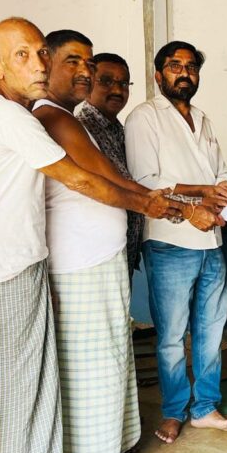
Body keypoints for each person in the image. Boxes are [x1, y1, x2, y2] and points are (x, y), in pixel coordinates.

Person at [0, 18, 185, 453]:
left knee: (33, 402)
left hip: (24, 270)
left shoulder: (15, 114)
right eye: (24, 55)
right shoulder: (12, 116)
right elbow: (82, 179)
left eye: (40, 53)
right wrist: (153, 206)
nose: (37, 64)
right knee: (5, 409)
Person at [35, 30, 170, 453]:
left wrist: (157, 202)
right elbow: (104, 179)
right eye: (73, 61)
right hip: (79, 267)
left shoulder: (73, 118)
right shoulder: (53, 116)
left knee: (110, 361)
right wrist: (161, 205)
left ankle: (109, 451)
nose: (84, 72)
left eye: (87, 64)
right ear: (46, 63)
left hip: (99, 261)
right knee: (89, 371)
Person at [126, 40, 227, 445]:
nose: (184, 73)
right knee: (172, 336)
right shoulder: (144, 118)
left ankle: (205, 407)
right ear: (158, 75)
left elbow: (221, 172)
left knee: (211, 329)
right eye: (175, 66)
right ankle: (174, 410)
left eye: (191, 67)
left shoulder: (203, 119)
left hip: (211, 241)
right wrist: (204, 192)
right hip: (170, 242)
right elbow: (146, 182)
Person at [76, 52, 145, 282]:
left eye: (124, 83)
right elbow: (122, 184)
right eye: (106, 81)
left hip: (124, 249)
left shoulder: (118, 129)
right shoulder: (83, 128)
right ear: (88, 82)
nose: (117, 89)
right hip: (97, 255)